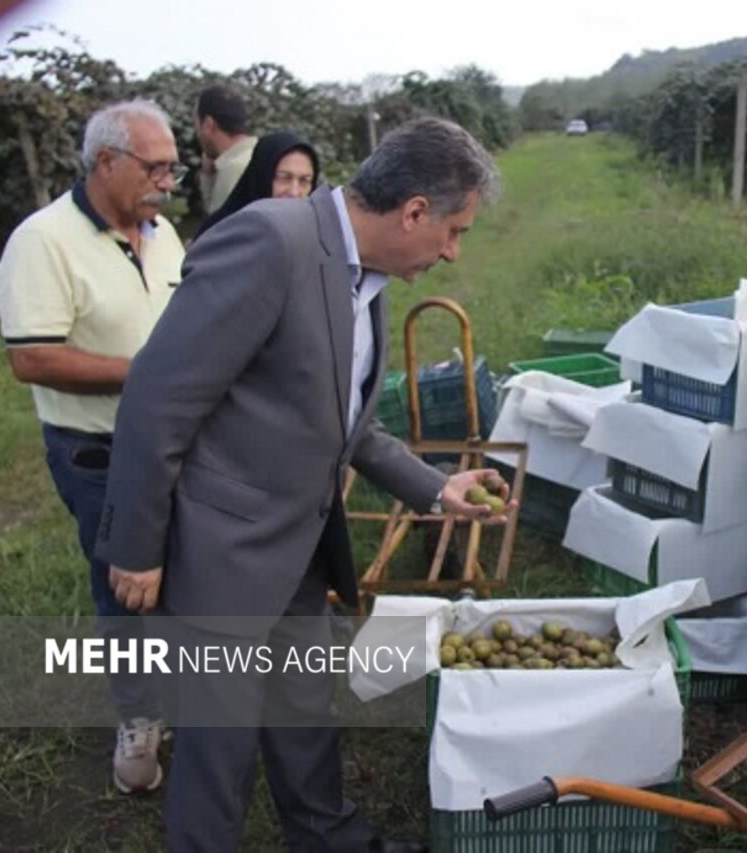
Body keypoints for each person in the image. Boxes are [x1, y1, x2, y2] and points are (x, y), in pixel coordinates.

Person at [96, 116, 506, 852]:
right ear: (413, 211)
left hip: (296, 545)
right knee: (219, 752)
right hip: (225, 552)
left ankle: (329, 837)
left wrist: (432, 486)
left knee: (301, 714)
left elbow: (341, 421)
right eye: (455, 230)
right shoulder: (272, 243)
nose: (452, 249)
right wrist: (135, 545)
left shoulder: (362, 276)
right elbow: (158, 399)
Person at [0, 98, 186, 794]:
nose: (168, 180)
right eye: (155, 167)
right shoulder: (42, 242)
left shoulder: (163, 234)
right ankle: (139, 719)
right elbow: (33, 358)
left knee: (179, 571)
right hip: (98, 451)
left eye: (173, 166)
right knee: (125, 585)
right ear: (106, 162)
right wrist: (147, 377)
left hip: (174, 440)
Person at [195, 130, 320, 238]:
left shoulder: (316, 239)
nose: (294, 192)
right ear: (262, 177)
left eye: (304, 180)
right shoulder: (220, 235)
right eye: (284, 178)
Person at [194, 84, 258, 215]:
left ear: (208, 125)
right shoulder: (257, 153)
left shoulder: (234, 168)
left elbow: (218, 229)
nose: (197, 134)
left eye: (196, 125)